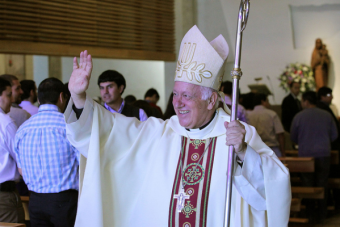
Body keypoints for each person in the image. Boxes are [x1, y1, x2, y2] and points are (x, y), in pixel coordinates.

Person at [65, 26, 290, 227]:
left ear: (211, 100)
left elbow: (273, 187)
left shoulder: (237, 134)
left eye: (186, 96)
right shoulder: (159, 133)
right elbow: (110, 134)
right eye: (175, 94)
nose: (177, 103)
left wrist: (243, 152)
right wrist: (78, 97)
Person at [14, 78, 80, 227]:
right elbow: (84, 165)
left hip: (35, 201)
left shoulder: (23, 129)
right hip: (65, 201)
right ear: (62, 97)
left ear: (38, 99)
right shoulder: (69, 127)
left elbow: (21, 170)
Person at [291, 91, 338, 222]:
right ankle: (323, 215)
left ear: (306, 101)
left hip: (305, 155)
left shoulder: (299, 116)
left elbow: (293, 137)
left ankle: (310, 214)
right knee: (323, 183)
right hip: (323, 153)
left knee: (307, 184)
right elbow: (334, 135)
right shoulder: (327, 115)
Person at [0, 78, 25, 223]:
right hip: (4, 195)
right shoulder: (5, 122)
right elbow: (21, 157)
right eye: (8, 95)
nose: (11, 99)